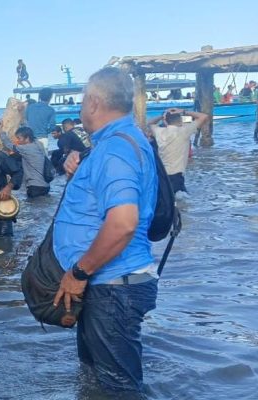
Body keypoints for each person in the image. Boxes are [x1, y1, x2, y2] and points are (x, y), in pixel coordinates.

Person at [52, 67, 158, 394]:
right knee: (96, 380)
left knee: (119, 389)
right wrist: (78, 166)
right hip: (108, 284)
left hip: (111, 287)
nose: (81, 108)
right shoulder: (114, 144)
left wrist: (79, 273)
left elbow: (123, 223)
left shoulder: (115, 149)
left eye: (84, 100)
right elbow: (99, 202)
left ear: (95, 103)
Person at [147, 107, 209, 194]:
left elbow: (149, 123)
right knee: (181, 203)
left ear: (166, 121)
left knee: (168, 202)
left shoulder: (159, 132)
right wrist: (183, 111)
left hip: (162, 175)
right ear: (180, 120)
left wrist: (162, 116)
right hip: (176, 175)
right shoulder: (184, 131)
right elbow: (204, 116)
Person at [0, 126, 49, 197]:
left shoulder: (25, 148)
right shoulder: (39, 144)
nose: (17, 141)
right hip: (46, 185)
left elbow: (8, 144)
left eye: (19, 138)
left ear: (27, 138)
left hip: (34, 187)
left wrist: (1, 131)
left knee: (33, 206)